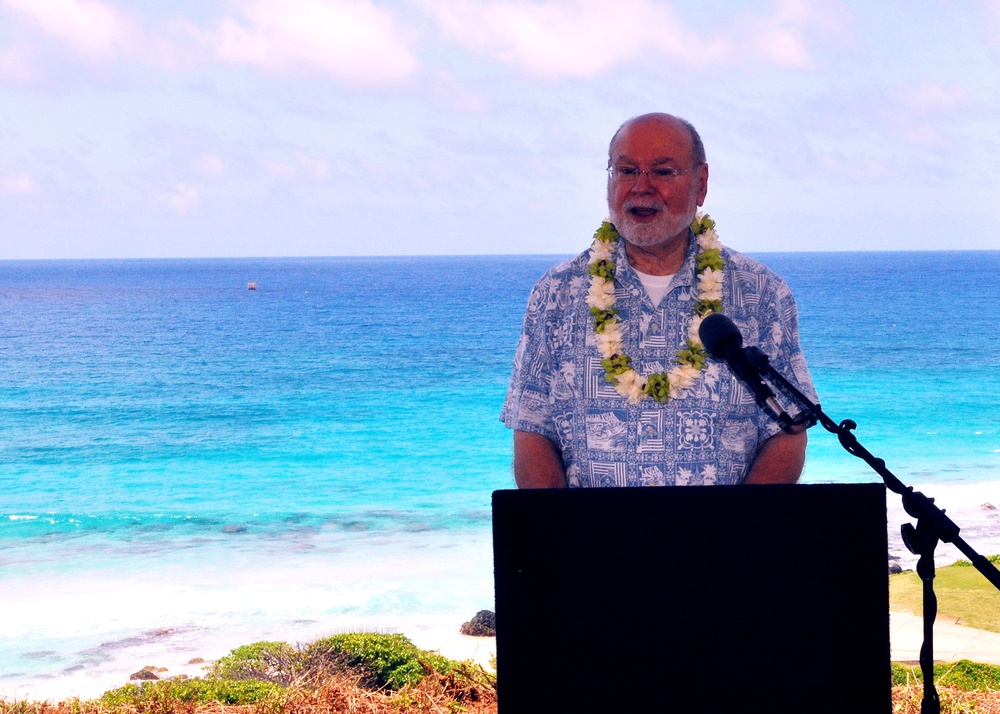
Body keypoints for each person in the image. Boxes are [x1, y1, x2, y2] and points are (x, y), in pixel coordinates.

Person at [501, 112, 817, 489]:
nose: (642, 187)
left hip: (723, 543)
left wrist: (737, 535)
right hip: (592, 544)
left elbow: (789, 429)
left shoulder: (761, 293)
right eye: (627, 171)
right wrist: (560, 540)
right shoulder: (556, 294)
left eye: (663, 172)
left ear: (700, 184)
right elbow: (532, 427)